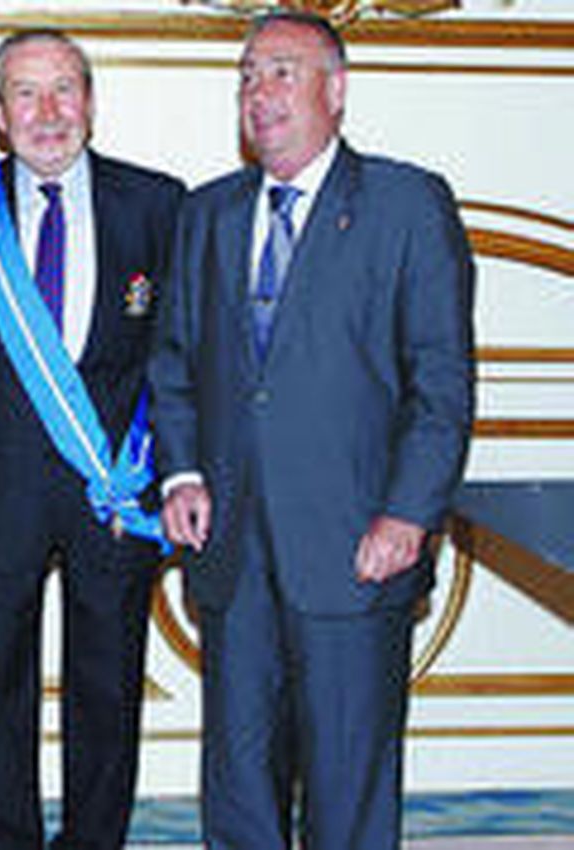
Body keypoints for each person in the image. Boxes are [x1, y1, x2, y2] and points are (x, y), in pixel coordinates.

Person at [148, 12, 475, 849]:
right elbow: (176, 361)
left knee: (348, 782)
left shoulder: (408, 203)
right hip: (232, 552)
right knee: (239, 780)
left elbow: (440, 383)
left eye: (282, 72)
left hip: (356, 543)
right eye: (249, 76)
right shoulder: (209, 212)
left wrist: (408, 514)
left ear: (337, 89)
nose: (261, 93)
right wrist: (182, 474)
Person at [0, 29, 185, 850]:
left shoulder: (156, 202)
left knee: (107, 683)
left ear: (91, 103)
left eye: (65, 90)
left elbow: (176, 358)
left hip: (115, 484)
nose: (48, 113)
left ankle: (94, 838)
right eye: (27, 95)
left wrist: (173, 474)